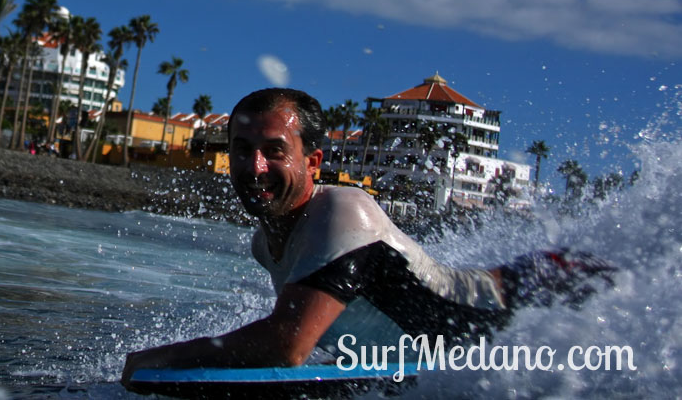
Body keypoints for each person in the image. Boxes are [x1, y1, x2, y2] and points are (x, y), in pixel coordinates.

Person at [122, 88, 614, 387]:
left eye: (275, 150)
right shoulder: (264, 241)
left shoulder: (342, 211)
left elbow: (287, 345)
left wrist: (159, 357)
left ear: (312, 162)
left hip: (529, 298)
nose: (255, 167)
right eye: (242, 149)